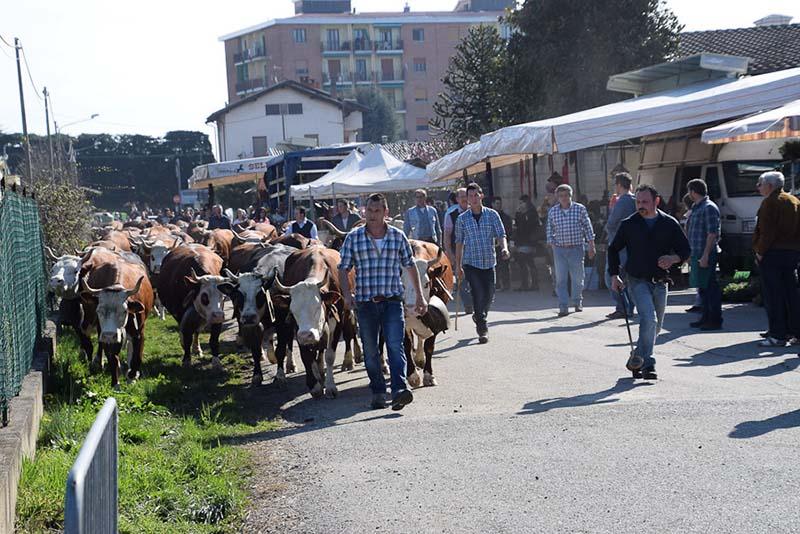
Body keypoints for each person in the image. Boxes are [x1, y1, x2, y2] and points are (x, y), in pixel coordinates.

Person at [338, 193, 427, 411]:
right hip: (366, 303)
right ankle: (378, 390)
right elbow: (343, 268)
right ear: (364, 211)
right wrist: (347, 295)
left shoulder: (397, 236)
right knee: (370, 350)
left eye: (377, 211)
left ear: (385, 213)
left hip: (392, 301)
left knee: (395, 346)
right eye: (369, 211)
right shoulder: (354, 237)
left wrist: (420, 296)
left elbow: (410, 265)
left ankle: (398, 389)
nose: (373, 215)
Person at [609, 184, 690, 380]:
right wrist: (614, 275)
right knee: (649, 319)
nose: (641, 206)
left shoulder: (669, 223)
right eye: (638, 202)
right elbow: (613, 249)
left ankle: (637, 357)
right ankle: (649, 364)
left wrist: (673, 259)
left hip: (661, 281)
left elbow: (685, 250)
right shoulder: (629, 224)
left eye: (645, 202)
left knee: (656, 326)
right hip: (636, 280)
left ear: (656, 201)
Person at [455, 183, 509, 344]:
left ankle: (479, 314)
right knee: (478, 293)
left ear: (481, 196)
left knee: (489, 294)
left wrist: (504, 249)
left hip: (489, 261)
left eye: (475, 195)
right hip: (471, 263)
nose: (473, 199)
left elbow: (501, 234)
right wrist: (457, 265)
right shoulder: (462, 219)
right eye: (469, 196)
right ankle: (482, 327)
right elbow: (459, 242)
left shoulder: (492, 215)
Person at [752, 171, 800, 347]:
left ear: (770, 186)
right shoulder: (794, 200)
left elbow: (767, 232)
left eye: (760, 184)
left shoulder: (770, 202)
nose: (758, 187)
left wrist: (760, 252)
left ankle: (778, 335)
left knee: (773, 295)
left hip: (773, 253)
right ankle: (794, 331)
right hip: (792, 253)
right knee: (791, 294)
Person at [546, 184, 596, 316]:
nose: (564, 198)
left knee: (577, 277)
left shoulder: (580, 209)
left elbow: (588, 227)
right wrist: (552, 244)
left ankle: (577, 300)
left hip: (576, 248)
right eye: (561, 196)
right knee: (561, 278)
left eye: (566, 195)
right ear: (557, 197)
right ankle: (563, 305)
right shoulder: (553, 211)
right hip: (560, 249)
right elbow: (549, 229)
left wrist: (591, 245)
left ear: (571, 196)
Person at [686, 178, 723, 331]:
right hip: (696, 253)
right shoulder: (696, 207)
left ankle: (714, 320)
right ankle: (705, 317)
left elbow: (712, 233)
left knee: (710, 288)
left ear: (693, 192)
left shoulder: (708, 207)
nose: (688, 194)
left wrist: (706, 255)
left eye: (689, 191)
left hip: (705, 253)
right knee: (702, 288)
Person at [604, 173, 637, 319]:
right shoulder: (637, 200)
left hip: (619, 245)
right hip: (633, 244)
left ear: (618, 185)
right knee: (628, 278)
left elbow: (611, 223)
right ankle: (629, 307)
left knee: (611, 276)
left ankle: (622, 306)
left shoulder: (622, 202)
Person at [444, 187, 472, 313]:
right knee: (462, 279)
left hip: (475, 250)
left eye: (466, 196)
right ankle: (468, 304)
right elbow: (447, 235)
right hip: (458, 251)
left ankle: (475, 301)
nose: (464, 199)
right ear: (457, 199)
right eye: (461, 197)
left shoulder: (475, 211)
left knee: (474, 278)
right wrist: (449, 253)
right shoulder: (451, 214)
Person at [514, 194, 542, 291]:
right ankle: (529, 284)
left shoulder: (530, 214)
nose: (520, 205)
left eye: (522, 203)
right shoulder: (523, 213)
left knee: (527, 263)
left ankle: (530, 284)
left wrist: (519, 215)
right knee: (526, 263)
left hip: (528, 241)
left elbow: (525, 227)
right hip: (523, 241)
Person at [492, 197, 514, 291]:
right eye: (497, 203)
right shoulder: (489, 216)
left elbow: (508, 231)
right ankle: (496, 284)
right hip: (492, 244)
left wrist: (508, 243)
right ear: (492, 204)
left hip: (503, 244)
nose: (499, 205)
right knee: (495, 265)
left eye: (499, 203)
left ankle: (506, 284)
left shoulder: (506, 217)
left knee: (505, 265)